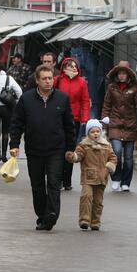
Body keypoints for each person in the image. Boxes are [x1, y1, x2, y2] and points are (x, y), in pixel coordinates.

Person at [9, 65, 75, 231]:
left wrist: (70, 148)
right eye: (44, 78)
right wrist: (14, 145)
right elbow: (17, 124)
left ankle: (51, 214)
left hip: (56, 150)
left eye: (50, 78)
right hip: (34, 150)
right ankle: (41, 214)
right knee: (37, 185)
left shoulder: (62, 98)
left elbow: (69, 126)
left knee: (54, 183)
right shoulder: (26, 99)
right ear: (37, 80)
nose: (48, 81)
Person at [68, 119, 117, 230]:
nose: (95, 134)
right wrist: (73, 156)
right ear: (88, 133)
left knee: (98, 201)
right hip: (88, 176)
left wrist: (109, 167)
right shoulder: (84, 145)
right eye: (92, 132)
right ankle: (84, 219)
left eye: (97, 131)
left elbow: (113, 158)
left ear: (100, 132)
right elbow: (78, 155)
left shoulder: (106, 145)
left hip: (101, 177)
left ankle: (95, 221)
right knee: (86, 197)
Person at [101, 60, 137, 193]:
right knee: (116, 152)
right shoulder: (111, 88)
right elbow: (106, 106)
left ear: (129, 74)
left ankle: (126, 182)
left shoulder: (136, 88)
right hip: (115, 124)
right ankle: (116, 178)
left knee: (129, 157)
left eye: (124, 73)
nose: (122, 76)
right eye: (120, 73)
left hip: (130, 125)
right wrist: (104, 124)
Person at [55, 57, 91, 191]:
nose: (74, 68)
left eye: (75, 66)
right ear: (64, 68)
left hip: (74, 120)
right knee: (58, 148)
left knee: (70, 149)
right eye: (70, 66)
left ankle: (67, 181)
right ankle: (57, 179)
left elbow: (85, 101)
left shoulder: (82, 82)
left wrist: (85, 119)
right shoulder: (57, 81)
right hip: (57, 118)